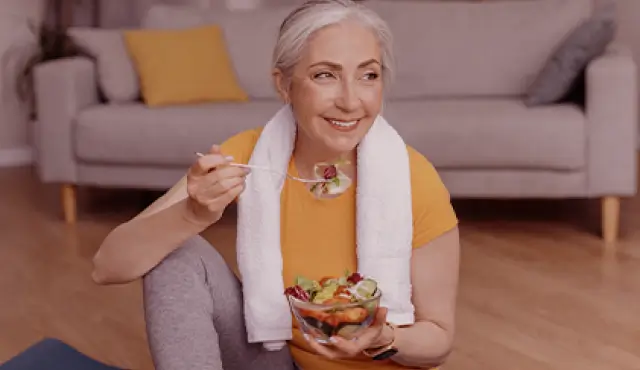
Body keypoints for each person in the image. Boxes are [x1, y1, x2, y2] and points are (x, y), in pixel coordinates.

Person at [91, 0, 460, 369]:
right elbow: (106, 267)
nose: (350, 101)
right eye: (325, 75)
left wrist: (386, 337)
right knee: (176, 253)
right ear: (284, 85)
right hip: (277, 361)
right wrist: (191, 214)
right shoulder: (250, 155)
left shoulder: (413, 178)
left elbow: (439, 340)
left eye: (368, 76)